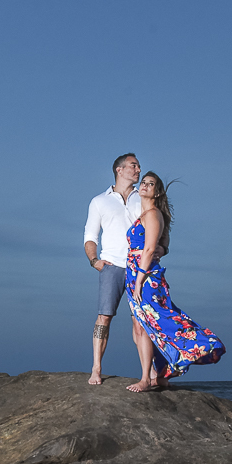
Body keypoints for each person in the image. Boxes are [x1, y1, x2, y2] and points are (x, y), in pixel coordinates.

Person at [125, 172, 225, 392]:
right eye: (143, 182)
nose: (144, 185)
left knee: (152, 324)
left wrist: (140, 280)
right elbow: (160, 245)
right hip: (135, 275)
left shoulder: (152, 214)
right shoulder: (144, 214)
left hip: (146, 277)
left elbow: (150, 249)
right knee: (143, 326)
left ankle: (145, 378)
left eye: (150, 184)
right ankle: (159, 374)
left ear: (157, 191)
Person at [83, 154, 166, 385]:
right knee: (103, 317)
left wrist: (163, 247)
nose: (139, 169)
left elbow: (162, 224)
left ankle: (149, 373)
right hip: (112, 265)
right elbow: (90, 236)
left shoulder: (143, 198)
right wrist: (94, 260)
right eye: (133, 165)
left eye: (139, 166)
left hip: (140, 267)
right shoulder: (99, 201)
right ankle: (96, 369)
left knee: (141, 320)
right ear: (119, 170)